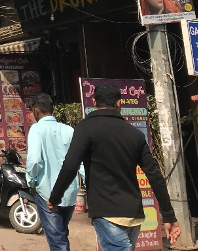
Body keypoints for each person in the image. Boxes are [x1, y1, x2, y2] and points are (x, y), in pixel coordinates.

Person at [48, 83, 181, 251]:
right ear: (119, 103)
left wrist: (55, 198)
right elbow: (154, 175)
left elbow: (70, 166)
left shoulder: (86, 128)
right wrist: (168, 215)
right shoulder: (135, 134)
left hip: (106, 212)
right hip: (133, 214)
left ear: (94, 102)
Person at [26, 93, 83, 251]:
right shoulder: (69, 130)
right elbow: (81, 161)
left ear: (36, 110)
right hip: (69, 192)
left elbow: (34, 160)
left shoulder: (36, 129)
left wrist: (31, 181)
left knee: (57, 240)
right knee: (61, 234)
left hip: (47, 193)